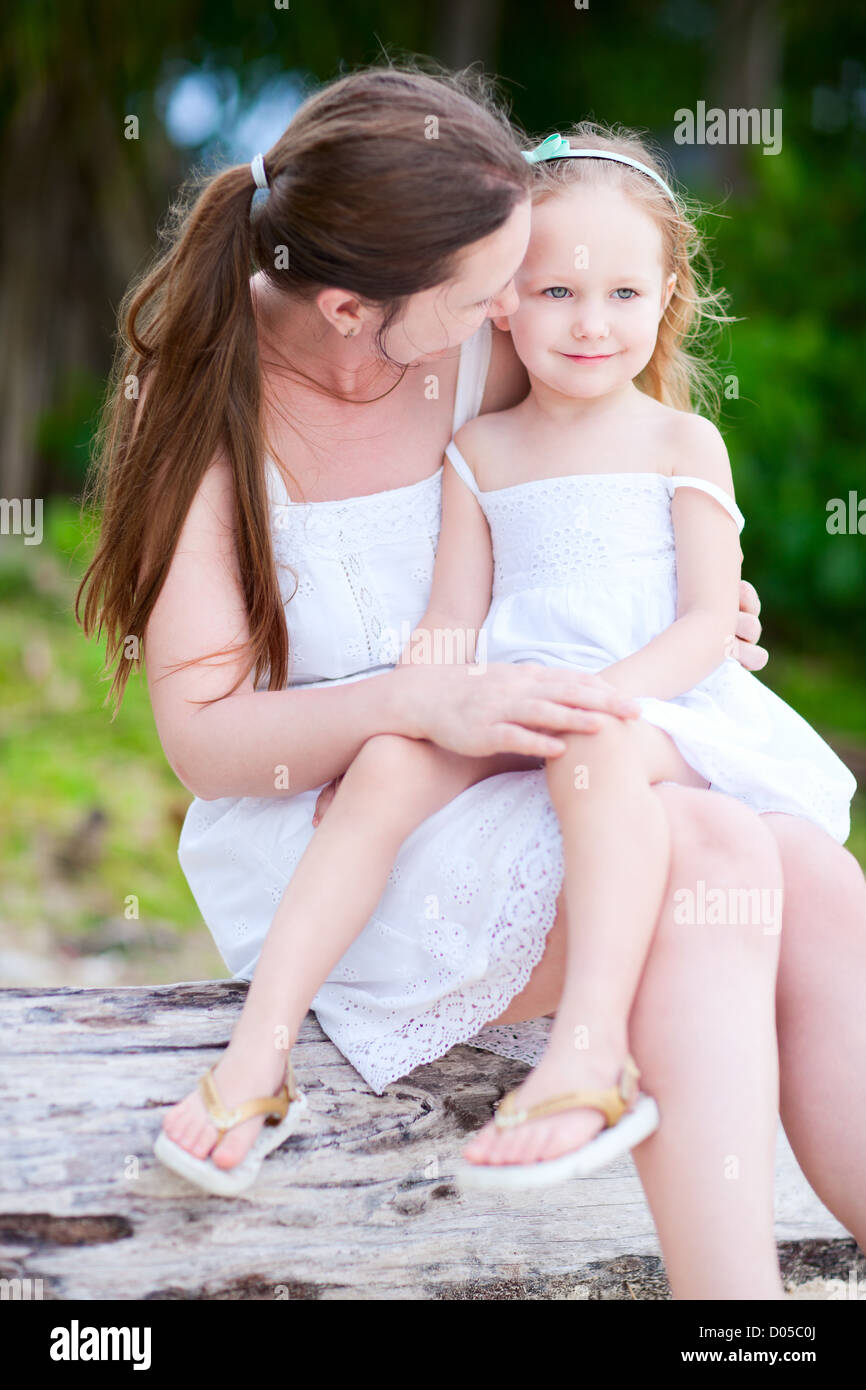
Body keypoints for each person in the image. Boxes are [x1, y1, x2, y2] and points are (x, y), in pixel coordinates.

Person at [76, 65, 866, 1300]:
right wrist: (417, 702)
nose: (518, 307)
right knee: (712, 852)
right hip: (346, 817)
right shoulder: (199, 426)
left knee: (816, 876)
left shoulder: (465, 350)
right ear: (351, 310)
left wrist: (688, 600)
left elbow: (586, 488)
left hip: (518, 743)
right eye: (491, 289)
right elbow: (208, 745)